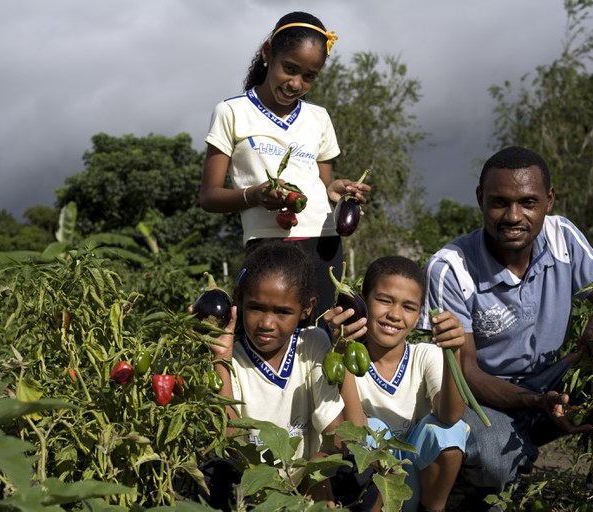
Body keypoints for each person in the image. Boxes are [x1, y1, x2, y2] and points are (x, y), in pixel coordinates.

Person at [420, 145, 593, 504]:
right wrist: (536, 402)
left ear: (549, 200)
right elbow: (465, 371)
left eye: (528, 202)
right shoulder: (450, 267)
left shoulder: (562, 237)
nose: (514, 216)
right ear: (480, 199)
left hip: (552, 385)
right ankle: (477, 479)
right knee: (494, 457)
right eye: (499, 202)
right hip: (486, 401)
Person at [199, 11, 370, 321]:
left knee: (322, 334)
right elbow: (209, 197)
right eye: (289, 68)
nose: (296, 83)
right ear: (268, 53)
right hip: (267, 244)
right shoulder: (232, 112)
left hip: (323, 244)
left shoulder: (319, 118)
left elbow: (324, 187)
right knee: (265, 334)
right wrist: (255, 195)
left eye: (309, 76)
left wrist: (338, 192)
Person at [201, 241, 346, 509]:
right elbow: (231, 444)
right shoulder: (231, 358)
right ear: (240, 303)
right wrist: (220, 358)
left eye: (282, 312)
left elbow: (336, 431)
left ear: (306, 308)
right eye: (256, 308)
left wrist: (317, 472)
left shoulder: (312, 344)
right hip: (250, 490)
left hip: (306, 488)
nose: (267, 323)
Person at [325, 255, 470, 512]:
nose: (394, 315)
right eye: (384, 300)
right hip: (372, 483)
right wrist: (343, 350)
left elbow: (451, 415)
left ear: (419, 315)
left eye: (409, 307)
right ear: (362, 301)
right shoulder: (343, 358)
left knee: (449, 430)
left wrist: (453, 352)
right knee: (373, 429)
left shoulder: (425, 355)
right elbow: (356, 432)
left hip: (417, 481)